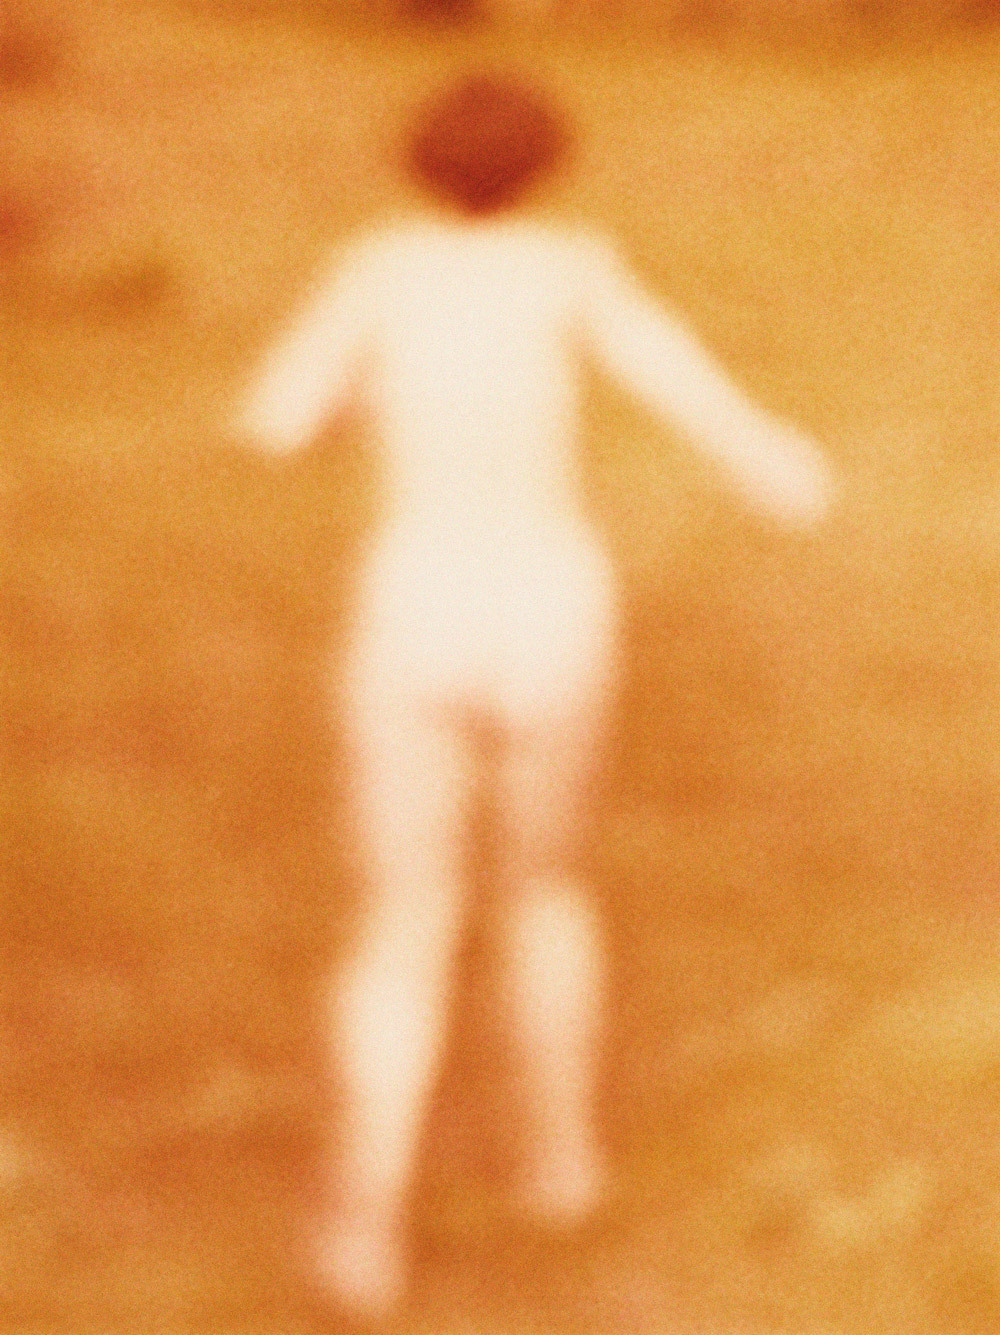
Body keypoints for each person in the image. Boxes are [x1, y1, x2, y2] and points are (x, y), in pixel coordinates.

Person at [232, 73, 836, 1321]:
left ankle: (361, 1224)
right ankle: (559, 1163)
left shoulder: (375, 273)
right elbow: (682, 384)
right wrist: (772, 458)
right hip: (548, 612)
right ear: (546, 165)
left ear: (416, 162)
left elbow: (274, 421)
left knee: (400, 920)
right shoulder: (573, 271)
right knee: (546, 888)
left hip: (415, 614)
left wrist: (355, 401)